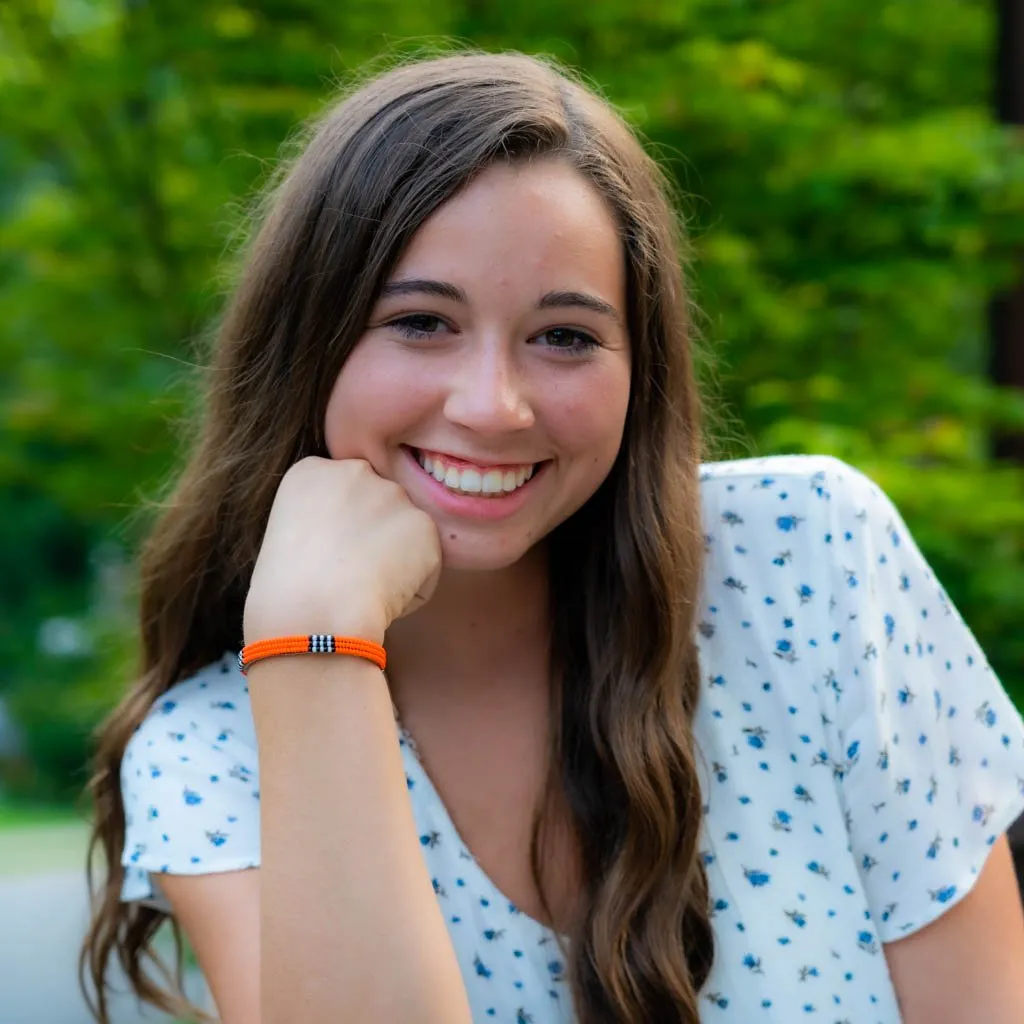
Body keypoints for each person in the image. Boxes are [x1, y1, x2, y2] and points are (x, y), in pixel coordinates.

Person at [79, 50, 1024, 1024]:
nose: (492, 406)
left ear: (637, 369)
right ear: (307, 347)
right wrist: (315, 639)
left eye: (564, 336)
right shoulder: (213, 748)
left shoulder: (806, 557)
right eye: (420, 321)